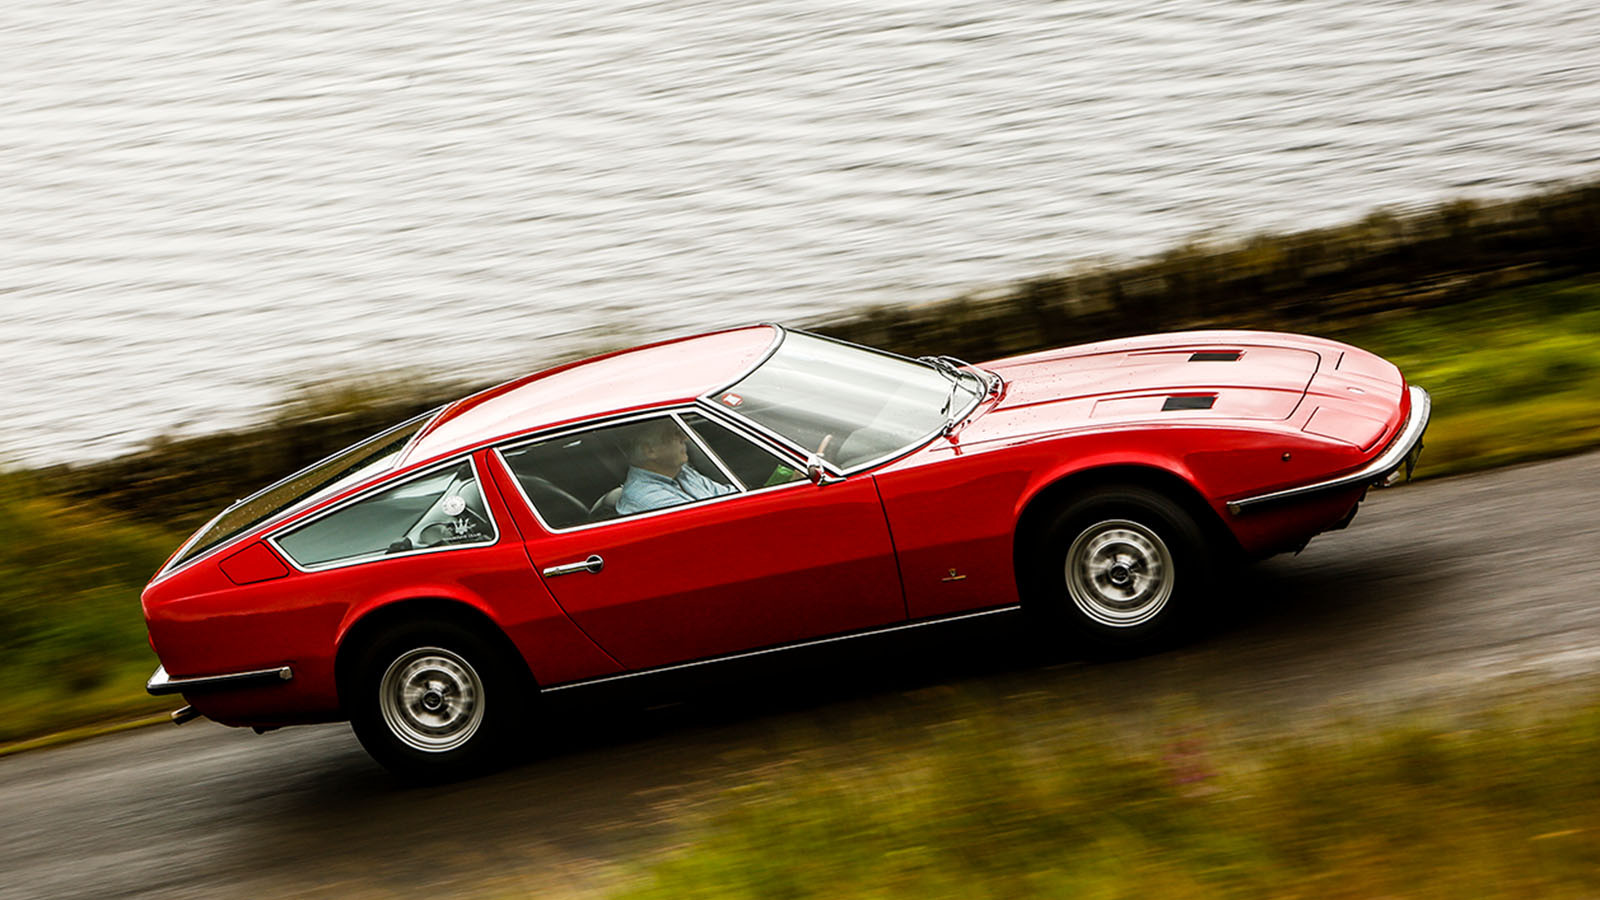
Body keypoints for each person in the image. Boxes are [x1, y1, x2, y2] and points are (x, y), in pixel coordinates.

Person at [616, 418, 735, 515]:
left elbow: (731, 496)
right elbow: (709, 520)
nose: (685, 438)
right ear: (650, 450)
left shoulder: (681, 472)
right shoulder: (645, 497)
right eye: (674, 434)